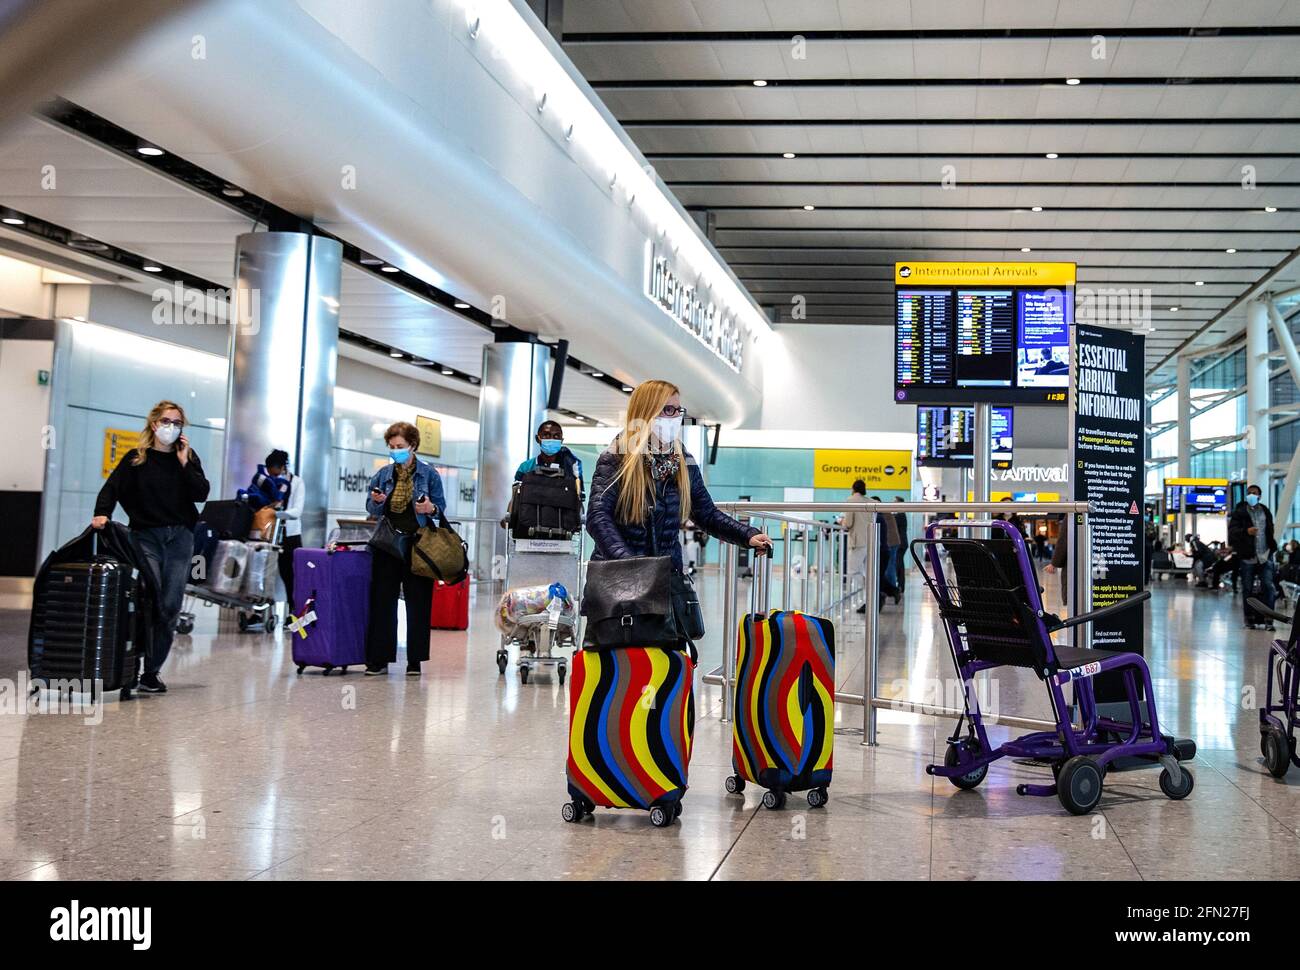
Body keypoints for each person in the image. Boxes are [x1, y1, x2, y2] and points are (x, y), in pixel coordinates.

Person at [585, 380, 771, 638]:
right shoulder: (617, 457)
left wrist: (746, 535)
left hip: (665, 582)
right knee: (621, 666)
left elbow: (705, 512)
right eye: (668, 410)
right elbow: (597, 517)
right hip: (618, 582)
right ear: (646, 412)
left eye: (678, 411)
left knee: (666, 665)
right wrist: (629, 563)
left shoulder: (681, 460)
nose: (676, 418)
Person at [92, 400, 210, 693]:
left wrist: (184, 462)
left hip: (180, 539)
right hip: (146, 537)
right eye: (167, 421)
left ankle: (151, 672)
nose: (172, 427)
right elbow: (111, 489)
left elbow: (201, 493)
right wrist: (102, 513)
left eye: (177, 423)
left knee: (170, 606)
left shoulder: (188, 458)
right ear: (154, 424)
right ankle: (131, 664)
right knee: (148, 598)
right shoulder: (136, 458)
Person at [365, 421, 446, 675]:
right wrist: (377, 501)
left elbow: (441, 509)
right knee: (382, 602)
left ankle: (415, 659)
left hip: (418, 544)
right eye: (391, 446)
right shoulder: (383, 474)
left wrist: (430, 508)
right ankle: (379, 659)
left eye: (400, 446)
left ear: (413, 445)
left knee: (418, 602)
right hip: (387, 544)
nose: (395, 450)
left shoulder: (429, 474)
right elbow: (371, 508)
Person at [256, 449, 305, 606]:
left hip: (290, 535)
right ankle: (259, 611)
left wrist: (276, 513)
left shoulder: (297, 482)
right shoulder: (267, 483)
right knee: (262, 574)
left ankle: (293, 614)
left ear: (283, 468)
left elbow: (297, 511)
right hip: (268, 534)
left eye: (275, 473)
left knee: (290, 576)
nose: (273, 477)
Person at [1228, 483, 1278, 630]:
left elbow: (1270, 530)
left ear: (1259, 496)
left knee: (1269, 586)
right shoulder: (1240, 512)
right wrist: (1246, 531)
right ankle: (1249, 619)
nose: (1251, 495)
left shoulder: (1265, 511)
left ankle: (1269, 620)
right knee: (1247, 588)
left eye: (1254, 493)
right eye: (1249, 493)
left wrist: (1271, 547)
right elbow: (1233, 532)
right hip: (1247, 556)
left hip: (1264, 554)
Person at [515, 419, 585, 497]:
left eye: (556, 436)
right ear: (538, 439)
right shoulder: (526, 467)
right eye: (546, 435)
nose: (552, 439)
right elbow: (517, 496)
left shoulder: (572, 466)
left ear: (561, 440)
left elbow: (579, 497)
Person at [842, 481, 871, 613]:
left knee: (853, 570)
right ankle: (869, 593)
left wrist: (841, 522)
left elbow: (848, 523)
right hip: (870, 540)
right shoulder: (870, 501)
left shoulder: (851, 500)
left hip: (857, 541)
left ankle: (867, 589)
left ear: (853, 488)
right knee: (866, 570)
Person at [872, 496, 903, 608]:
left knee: (889, 568)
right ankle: (892, 590)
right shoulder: (885, 511)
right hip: (892, 543)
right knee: (889, 568)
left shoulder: (880, 512)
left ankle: (892, 590)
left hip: (890, 543)